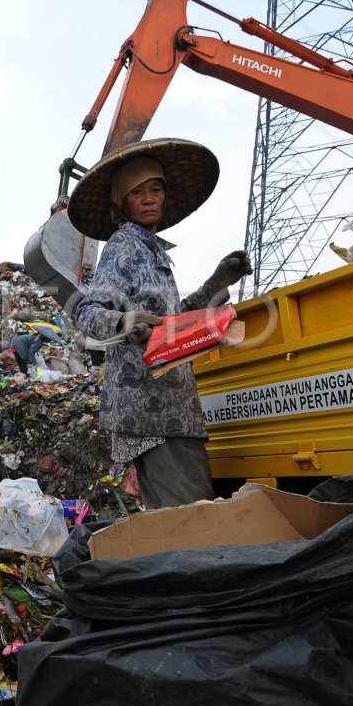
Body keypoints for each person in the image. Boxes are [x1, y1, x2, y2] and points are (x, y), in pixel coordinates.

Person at [67, 138, 252, 510]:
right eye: (138, 193)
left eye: (156, 189)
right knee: (192, 516)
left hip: (171, 406)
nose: (150, 198)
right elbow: (88, 312)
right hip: (151, 410)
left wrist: (216, 284)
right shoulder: (124, 247)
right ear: (123, 202)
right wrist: (126, 321)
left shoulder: (152, 251)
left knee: (175, 517)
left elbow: (173, 321)